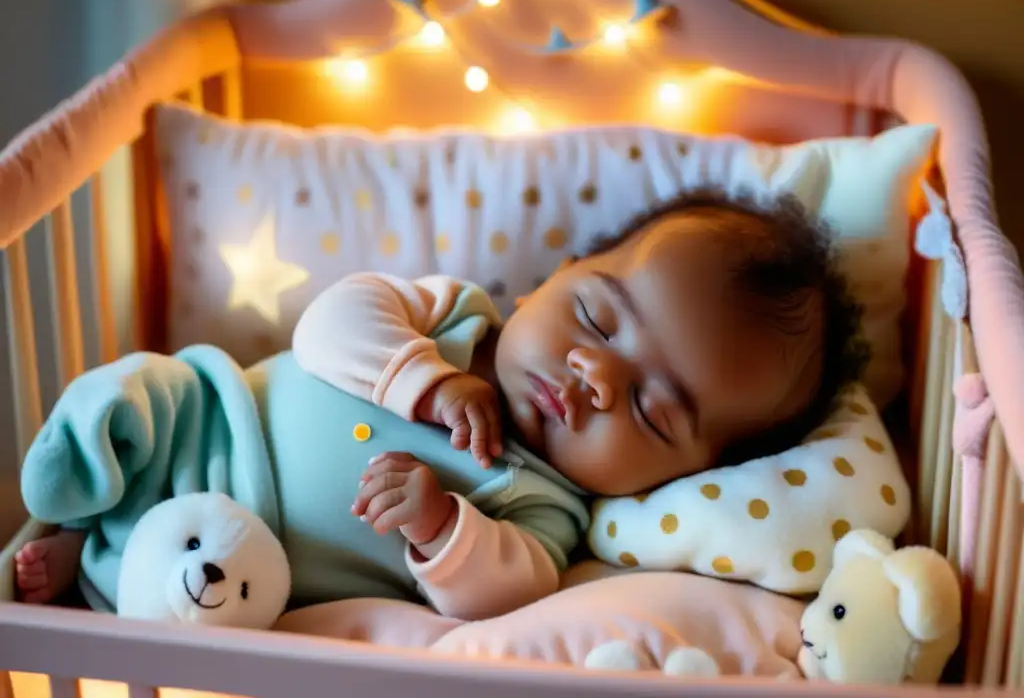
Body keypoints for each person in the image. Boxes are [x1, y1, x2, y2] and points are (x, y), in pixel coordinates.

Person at [16, 188, 867, 619]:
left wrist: (441, 528)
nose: (596, 377)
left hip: (246, 569)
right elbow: (329, 321)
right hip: (214, 416)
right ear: (557, 273)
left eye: (650, 411)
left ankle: (91, 567)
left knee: (186, 602)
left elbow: (505, 593)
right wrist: (428, 378)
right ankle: (87, 475)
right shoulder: (453, 315)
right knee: (146, 388)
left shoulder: (546, 508)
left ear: (693, 471)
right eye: (597, 315)